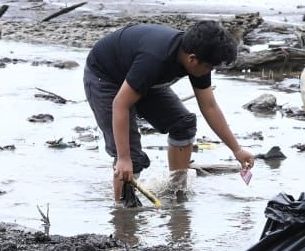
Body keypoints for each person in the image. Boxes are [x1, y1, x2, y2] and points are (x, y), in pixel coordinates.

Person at [84, 20, 255, 201]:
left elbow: (209, 107)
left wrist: (236, 150)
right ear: (192, 59)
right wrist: (124, 158)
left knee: (183, 124)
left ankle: (176, 193)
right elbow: (120, 104)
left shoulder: (198, 59)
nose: (209, 71)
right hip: (105, 78)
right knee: (131, 159)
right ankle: (122, 214)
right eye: (209, 67)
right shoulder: (155, 59)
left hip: (141, 80)